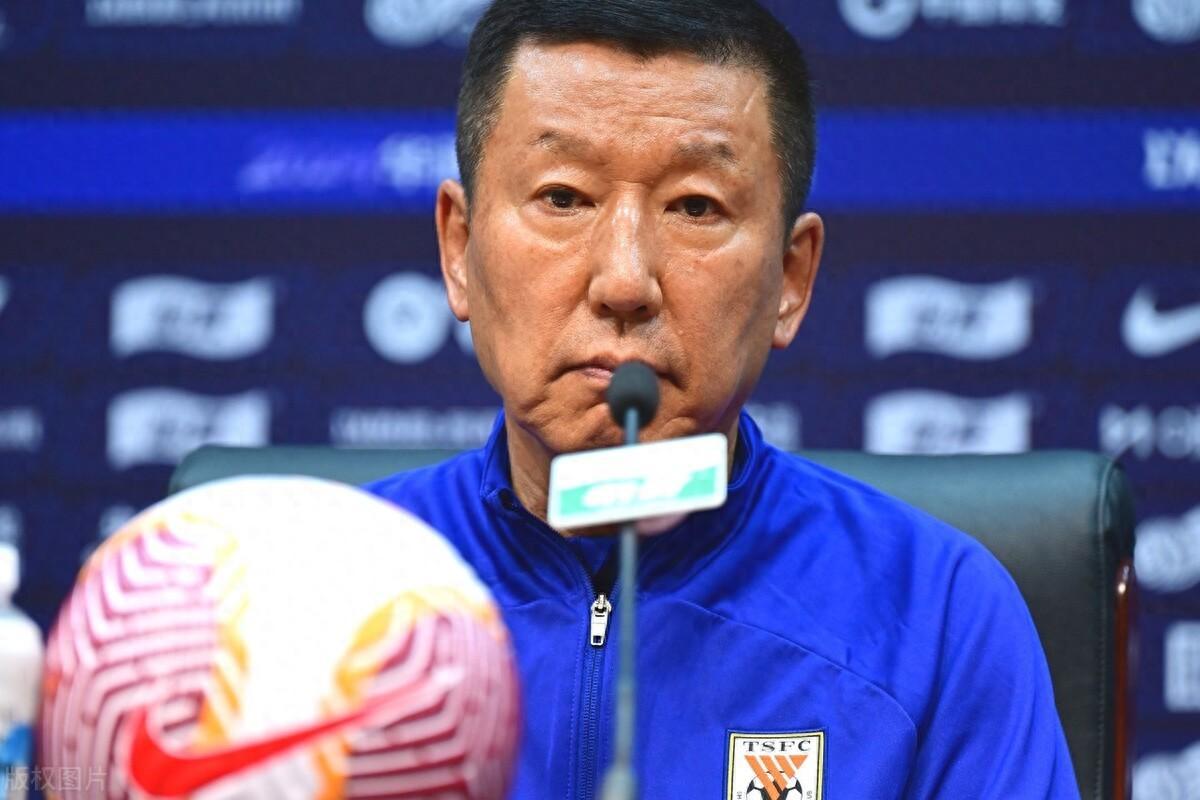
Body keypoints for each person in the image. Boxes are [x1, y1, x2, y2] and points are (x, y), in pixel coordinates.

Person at [368, 0, 1081, 797]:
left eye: (695, 206)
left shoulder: (937, 618)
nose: (625, 281)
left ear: (791, 278)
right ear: (459, 248)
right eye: (564, 197)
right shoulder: (314, 596)